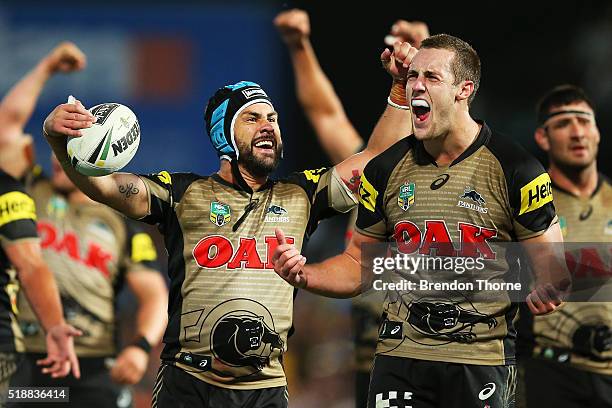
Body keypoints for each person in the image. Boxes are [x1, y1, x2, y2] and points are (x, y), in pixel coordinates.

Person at [40, 41, 413, 406]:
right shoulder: (181, 194)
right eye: (252, 118)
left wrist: (398, 89)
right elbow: (104, 186)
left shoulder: (302, 194)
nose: (268, 126)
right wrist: (58, 141)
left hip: (265, 388)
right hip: (187, 385)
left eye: (273, 118)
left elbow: (377, 159)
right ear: (223, 134)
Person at [272, 34, 571, 407]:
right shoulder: (384, 170)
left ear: (464, 89)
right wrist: (305, 275)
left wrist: (547, 285)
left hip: (480, 362)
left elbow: (553, 266)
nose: (416, 86)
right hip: (400, 358)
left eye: (431, 77)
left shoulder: (517, 169)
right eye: (413, 76)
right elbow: (357, 265)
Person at [274, 9, 429, 407]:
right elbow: (324, 114)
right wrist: (299, 47)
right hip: (370, 366)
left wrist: (424, 52)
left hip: (433, 362)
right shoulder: (374, 172)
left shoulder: (463, 183)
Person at [0, 42, 85, 402]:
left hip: (74, 354)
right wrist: (47, 67)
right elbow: (8, 125)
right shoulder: (19, 187)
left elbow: (7, 126)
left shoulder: (113, 211)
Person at [517, 85, 612, 407]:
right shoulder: (526, 202)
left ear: (597, 132)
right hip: (550, 372)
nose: (577, 133)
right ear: (543, 138)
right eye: (563, 123)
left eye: (585, 121)